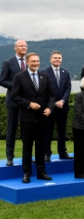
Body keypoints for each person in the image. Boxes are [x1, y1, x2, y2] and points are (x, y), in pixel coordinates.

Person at [11, 52, 56, 183]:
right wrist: (29, 104)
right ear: (27, 62)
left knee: (41, 146)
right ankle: (27, 173)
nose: (36, 63)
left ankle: (41, 172)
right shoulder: (19, 77)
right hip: (26, 118)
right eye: (33, 61)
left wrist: (49, 108)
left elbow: (52, 96)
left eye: (37, 61)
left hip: (43, 118)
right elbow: (15, 96)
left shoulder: (45, 77)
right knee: (27, 147)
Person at [0, 39, 28, 166]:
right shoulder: (8, 63)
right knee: (11, 129)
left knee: (26, 130)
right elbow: (2, 80)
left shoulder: (29, 62)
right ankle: (9, 157)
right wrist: (17, 86)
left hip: (27, 102)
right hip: (13, 101)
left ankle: (26, 156)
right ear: (15, 48)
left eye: (25, 46)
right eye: (21, 45)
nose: (24, 47)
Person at [42, 50, 73, 162]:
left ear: (62, 59)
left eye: (59, 58)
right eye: (55, 58)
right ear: (50, 59)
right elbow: (44, 91)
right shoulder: (44, 73)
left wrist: (63, 101)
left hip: (63, 107)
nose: (57, 60)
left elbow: (68, 88)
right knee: (48, 131)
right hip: (50, 108)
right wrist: (55, 102)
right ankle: (47, 153)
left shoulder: (66, 73)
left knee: (62, 131)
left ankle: (62, 153)